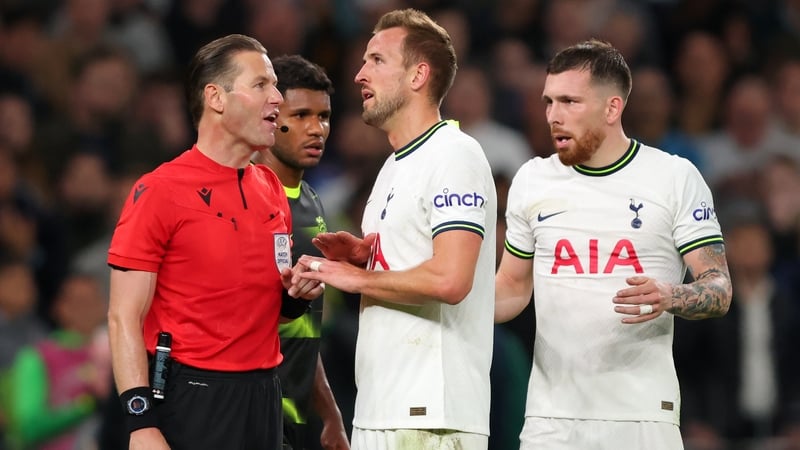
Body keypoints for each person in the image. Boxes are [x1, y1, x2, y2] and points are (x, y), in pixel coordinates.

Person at [493, 39, 733, 450]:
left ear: (612, 108)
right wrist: (439, 297)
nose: (553, 115)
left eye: (570, 101)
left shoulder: (674, 178)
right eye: (549, 101)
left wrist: (671, 295)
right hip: (552, 422)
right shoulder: (532, 180)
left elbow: (719, 288)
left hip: (641, 415)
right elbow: (512, 288)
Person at [106, 34, 324, 450]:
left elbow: (268, 308)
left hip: (263, 396)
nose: (277, 97)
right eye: (261, 85)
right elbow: (122, 317)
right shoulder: (159, 190)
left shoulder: (271, 188)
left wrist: (296, 295)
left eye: (274, 85)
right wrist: (140, 423)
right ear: (216, 98)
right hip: (191, 399)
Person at [296, 9, 497, 450]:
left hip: (433, 413)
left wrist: (358, 278)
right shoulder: (393, 165)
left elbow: (450, 278)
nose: (359, 74)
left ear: (418, 75)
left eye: (376, 60)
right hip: (384, 404)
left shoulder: (455, 155)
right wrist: (365, 256)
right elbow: (418, 262)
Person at [251, 54, 349, 450]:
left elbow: (303, 328)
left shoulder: (311, 202)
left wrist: (330, 414)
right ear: (271, 115)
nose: (316, 129)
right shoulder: (242, 196)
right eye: (302, 114)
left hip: (297, 418)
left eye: (323, 117)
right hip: (250, 413)